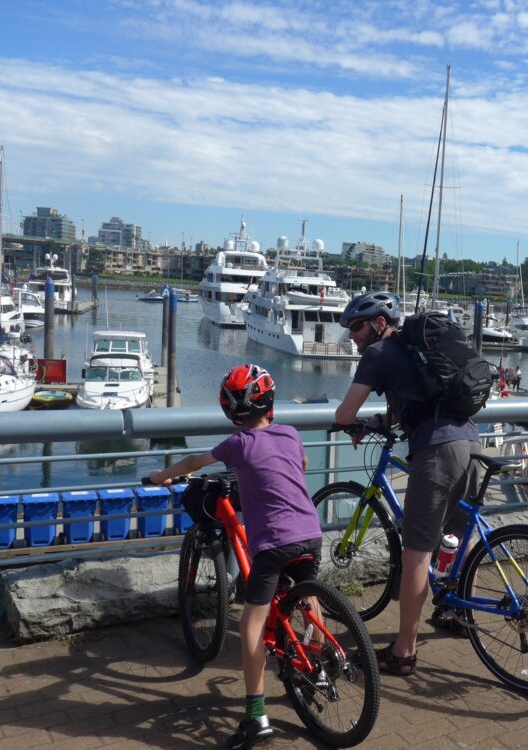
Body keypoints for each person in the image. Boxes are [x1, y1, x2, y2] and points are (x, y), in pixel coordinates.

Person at [150, 364, 322, 748]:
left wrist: (160, 476)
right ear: (269, 402)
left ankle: (256, 717)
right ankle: (319, 663)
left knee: (251, 625)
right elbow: (303, 464)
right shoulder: (291, 435)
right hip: (310, 532)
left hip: (274, 542)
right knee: (308, 594)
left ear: (231, 410)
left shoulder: (238, 445)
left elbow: (195, 463)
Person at [335, 291, 480, 676]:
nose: (352, 335)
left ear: (380, 322)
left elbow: (344, 412)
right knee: (460, 533)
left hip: (436, 450)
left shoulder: (378, 354)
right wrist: (376, 424)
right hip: (470, 441)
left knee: (417, 552)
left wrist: (350, 422)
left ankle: (403, 652)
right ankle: (456, 611)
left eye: (357, 326)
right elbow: (410, 410)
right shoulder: (417, 352)